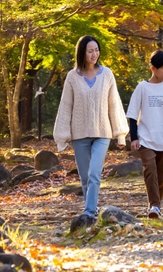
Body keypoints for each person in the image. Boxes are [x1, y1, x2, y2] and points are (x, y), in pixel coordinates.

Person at [54, 35, 128, 222]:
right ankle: (91, 209)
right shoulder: (72, 77)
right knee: (85, 177)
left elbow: (114, 104)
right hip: (80, 136)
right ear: (82, 53)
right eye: (90, 51)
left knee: (95, 173)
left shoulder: (107, 74)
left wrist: (119, 134)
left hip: (102, 133)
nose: (95, 54)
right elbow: (66, 105)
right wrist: (63, 135)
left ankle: (89, 211)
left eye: (97, 50)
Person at [126, 50, 163, 219]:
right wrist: (134, 138)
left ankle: (156, 205)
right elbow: (133, 115)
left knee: (162, 177)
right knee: (150, 171)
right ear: (153, 68)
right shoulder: (142, 88)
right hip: (145, 139)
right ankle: (155, 206)